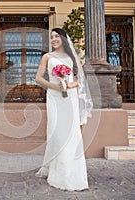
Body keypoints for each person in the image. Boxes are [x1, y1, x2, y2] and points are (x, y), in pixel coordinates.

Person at [35, 28, 93, 191]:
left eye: (56, 36)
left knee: (72, 133)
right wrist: (54, 86)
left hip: (71, 98)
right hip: (54, 97)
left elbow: (79, 79)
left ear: (63, 38)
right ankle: (58, 170)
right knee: (57, 132)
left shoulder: (71, 57)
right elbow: (38, 78)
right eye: (51, 37)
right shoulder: (47, 57)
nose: (53, 39)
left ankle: (72, 172)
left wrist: (69, 85)